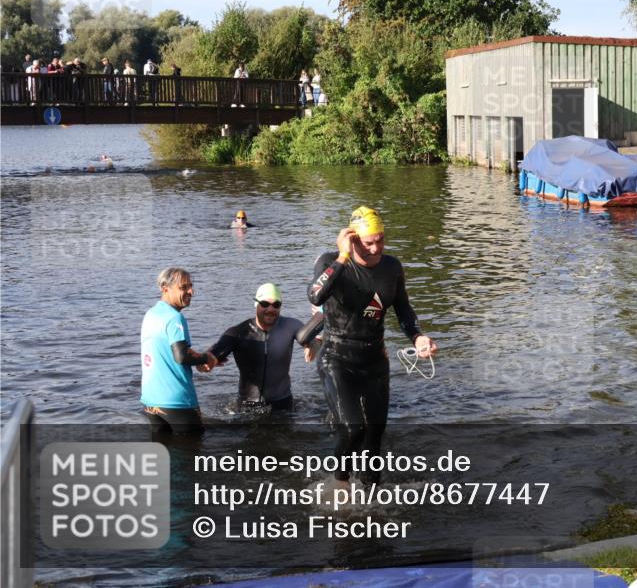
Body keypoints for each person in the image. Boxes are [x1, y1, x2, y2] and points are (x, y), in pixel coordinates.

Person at [307, 206, 438, 486]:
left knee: (373, 440)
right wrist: (343, 256)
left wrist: (418, 337)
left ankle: (371, 499)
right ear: (352, 239)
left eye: (381, 239)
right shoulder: (331, 262)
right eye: (369, 242)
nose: (376, 247)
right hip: (337, 359)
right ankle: (339, 485)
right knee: (354, 429)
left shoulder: (391, 267)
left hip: (375, 361)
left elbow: (403, 309)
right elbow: (315, 296)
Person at [140, 267, 218, 434]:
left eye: (190, 286)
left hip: (151, 402)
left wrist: (196, 357)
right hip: (177, 402)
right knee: (192, 454)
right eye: (183, 287)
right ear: (165, 288)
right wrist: (207, 358)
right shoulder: (175, 317)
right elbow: (181, 356)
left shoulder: (151, 314)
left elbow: (168, 352)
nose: (191, 292)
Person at [208, 283, 310, 411]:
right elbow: (210, 357)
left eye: (276, 305)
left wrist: (311, 345)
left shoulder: (291, 326)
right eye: (265, 304)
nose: (270, 309)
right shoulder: (238, 332)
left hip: (282, 403)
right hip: (247, 406)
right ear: (256, 304)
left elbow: (312, 341)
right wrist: (206, 361)